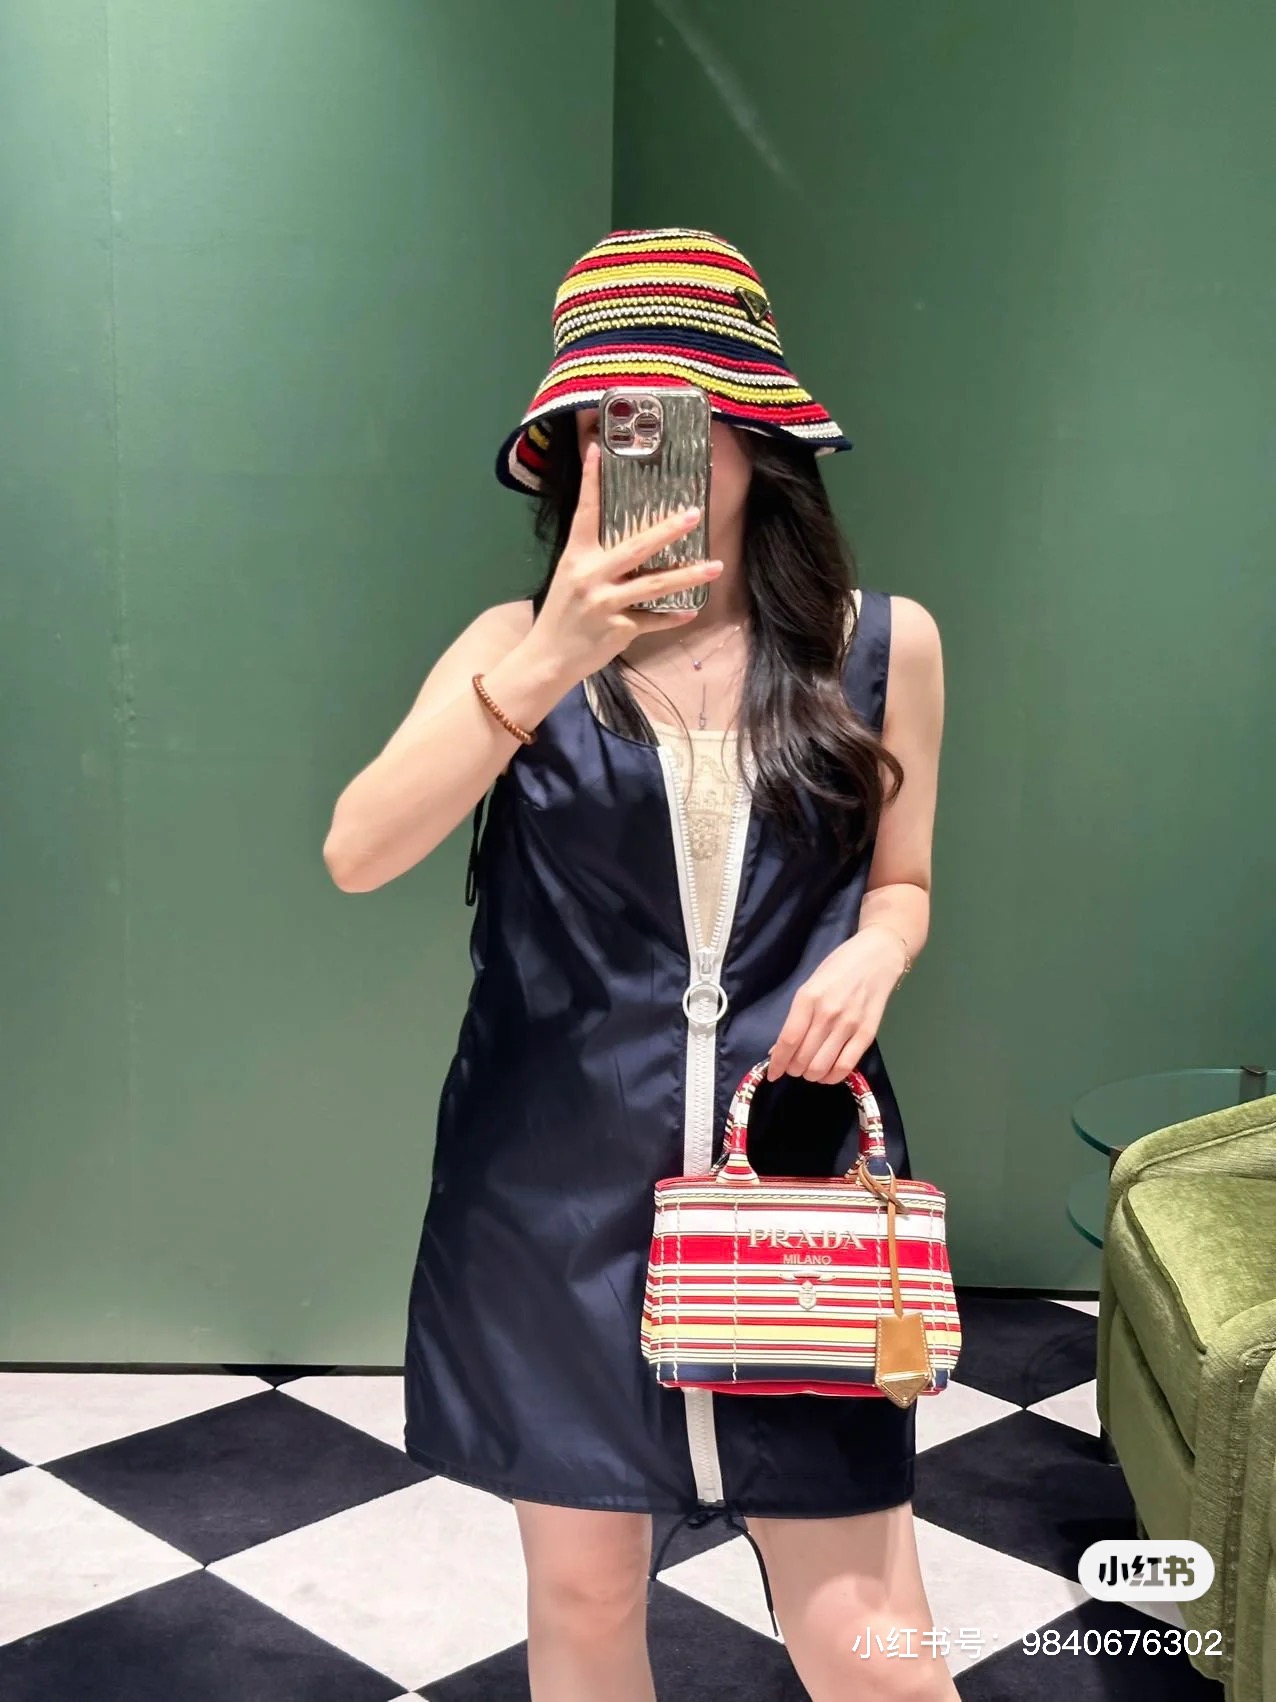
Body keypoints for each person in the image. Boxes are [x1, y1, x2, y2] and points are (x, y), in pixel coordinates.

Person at [323, 229, 952, 1702]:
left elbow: (905, 880)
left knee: (865, 1627)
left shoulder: (880, 646)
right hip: (553, 1202)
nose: (635, 448)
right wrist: (551, 653)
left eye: (669, 417)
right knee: (586, 1594)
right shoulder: (510, 649)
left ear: (753, 434)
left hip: (795, 1188)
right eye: (601, 422)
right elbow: (358, 847)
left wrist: (879, 948)